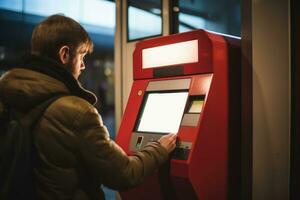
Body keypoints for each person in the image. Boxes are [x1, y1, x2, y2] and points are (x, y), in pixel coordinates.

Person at [0, 14, 177, 200]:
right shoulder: (77, 111)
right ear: (64, 54)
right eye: (81, 55)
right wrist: (160, 148)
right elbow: (125, 174)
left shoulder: (7, 96)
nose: (83, 65)